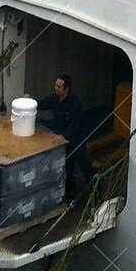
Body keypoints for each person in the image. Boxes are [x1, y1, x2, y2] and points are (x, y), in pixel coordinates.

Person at [36, 73, 93, 202]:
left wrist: (64, 136)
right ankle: (69, 196)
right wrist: (31, 101)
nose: (56, 88)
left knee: (85, 166)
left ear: (66, 89)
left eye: (59, 87)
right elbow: (43, 104)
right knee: (68, 167)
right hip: (62, 139)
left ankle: (97, 190)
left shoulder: (75, 104)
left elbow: (75, 125)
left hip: (75, 139)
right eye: (55, 85)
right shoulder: (54, 99)